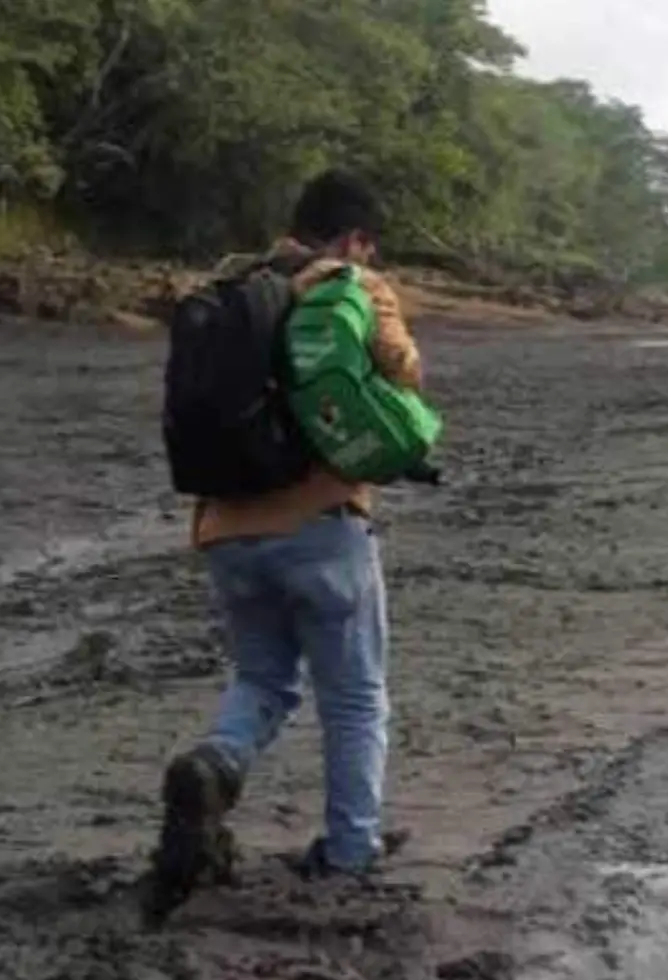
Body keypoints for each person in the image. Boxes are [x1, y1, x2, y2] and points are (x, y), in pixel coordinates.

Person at [148, 170, 423, 925]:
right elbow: (404, 368)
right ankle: (349, 851)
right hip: (320, 522)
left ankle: (217, 762)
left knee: (265, 676)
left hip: (226, 526)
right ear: (356, 238)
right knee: (355, 696)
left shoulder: (232, 282)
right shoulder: (350, 283)